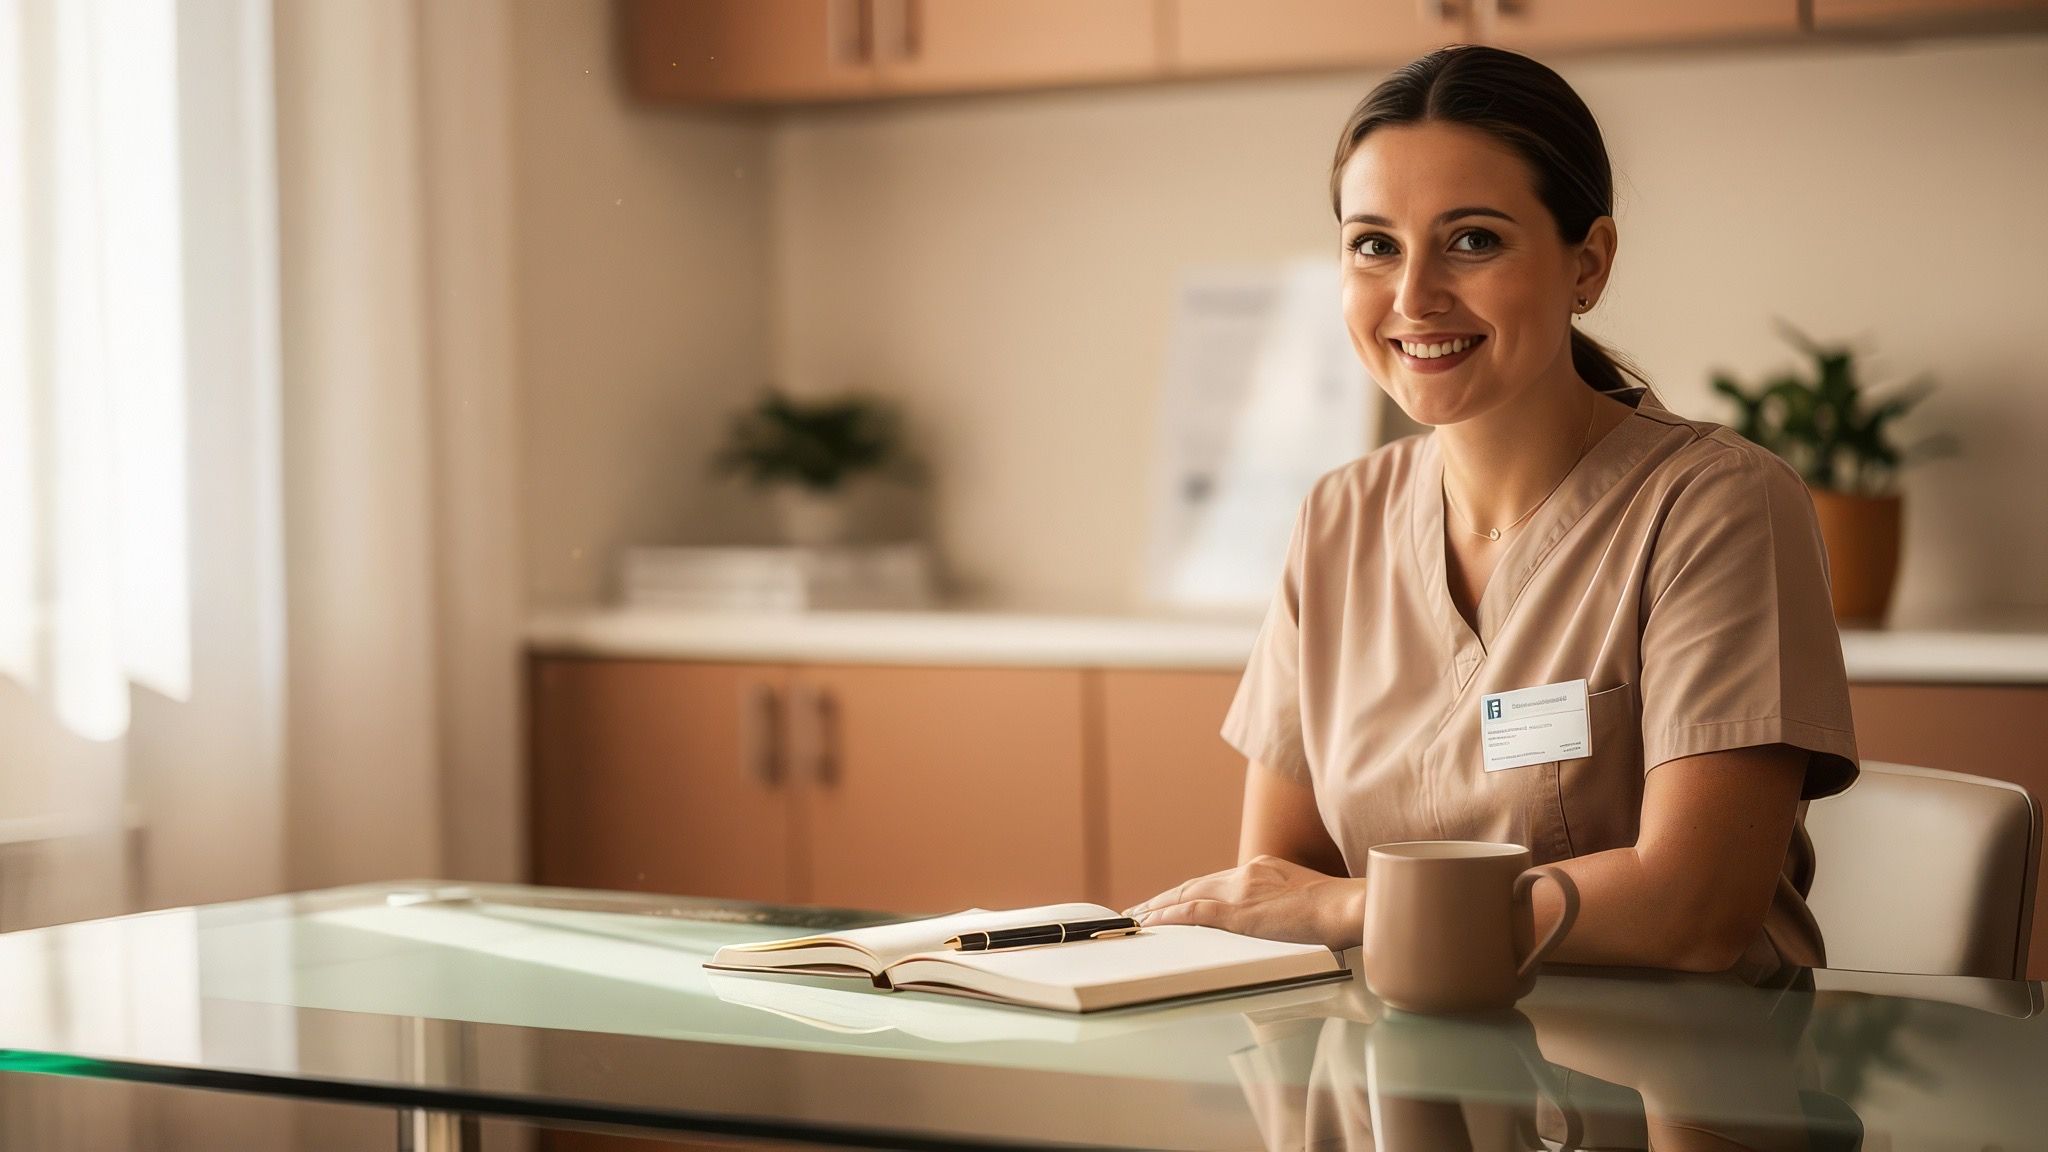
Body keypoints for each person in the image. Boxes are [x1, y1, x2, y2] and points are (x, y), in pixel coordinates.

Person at [1124, 44, 1860, 985]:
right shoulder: (1338, 520)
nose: (1413, 296)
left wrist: (1356, 907)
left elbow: (1694, 911)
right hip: (1403, 1078)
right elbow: (1280, 891)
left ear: (1587, 262)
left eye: (1472, 239)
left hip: (1681, 1094)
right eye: (1374, 244)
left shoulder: (1715, 504)